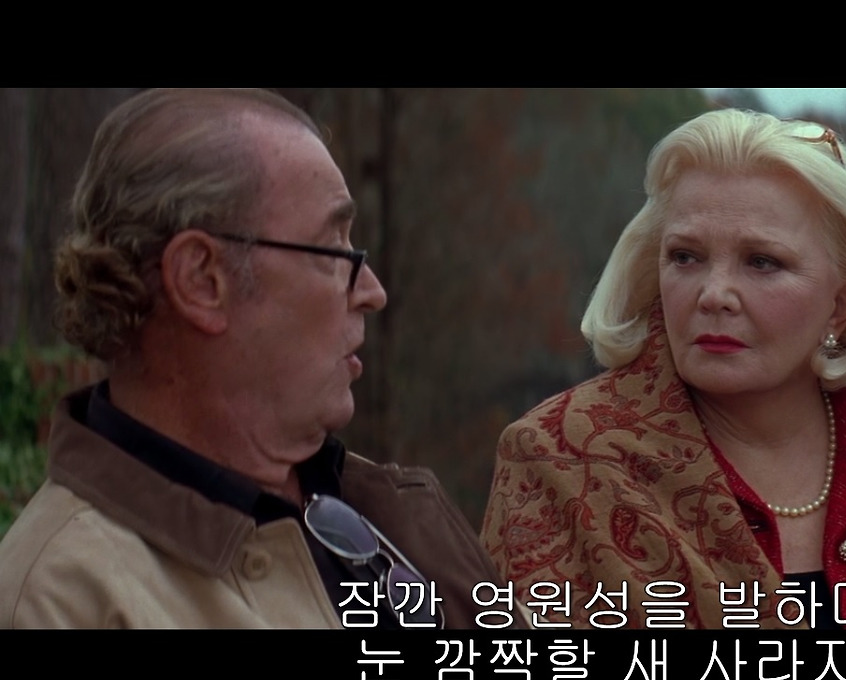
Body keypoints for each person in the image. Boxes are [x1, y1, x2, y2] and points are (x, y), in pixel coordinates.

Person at [0, 88, 518, 629]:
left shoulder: (379, 509)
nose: (372, 291)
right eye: (335, 251)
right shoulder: (61, 601)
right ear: (202, 280)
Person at [482, 108, 846, 629]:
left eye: (762, 262)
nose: (714, 294)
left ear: (840, 305)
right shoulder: (558, 458)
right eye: (685, 257)